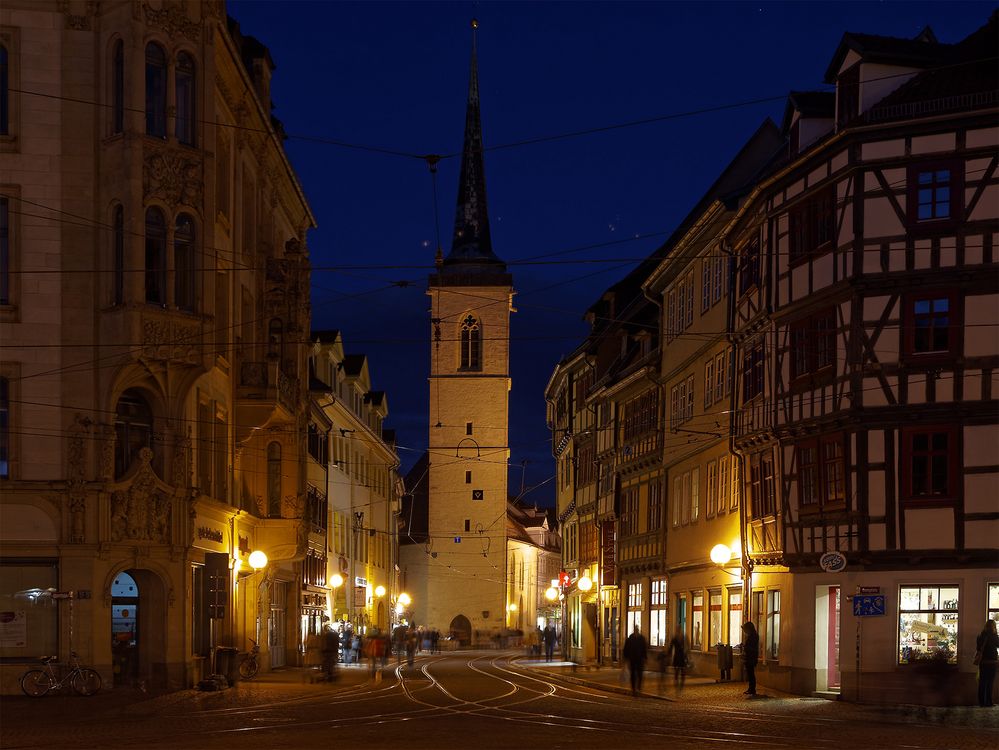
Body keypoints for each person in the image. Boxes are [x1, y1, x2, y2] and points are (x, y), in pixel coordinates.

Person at [976, 619, 998, 707]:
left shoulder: (980, 636)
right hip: (992, 662)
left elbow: (978, 649)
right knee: (990, 682)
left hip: (983, 662)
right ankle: (989, 702)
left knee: (982, 682)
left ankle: (981, 702)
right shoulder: (994, 636)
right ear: (994, 627)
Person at [622, 624, 648, 695]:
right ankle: (634, 688)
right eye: (636, 629)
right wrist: (625, 658)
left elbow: (644, 649)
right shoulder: (630, 638)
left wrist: (645, 658)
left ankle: (638, 687)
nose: (636, 630)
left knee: (640, 674)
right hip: (632, 659)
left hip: (639, 659)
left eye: (637, 629)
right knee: (633, 674)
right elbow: (626, 649)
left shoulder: (641, 638)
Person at [741, 622, 760, 696]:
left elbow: (752, 648)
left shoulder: (753, 636)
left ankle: (752, 689)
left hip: (751, 658)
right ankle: (751, 688)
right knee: (750, 674)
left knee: (751, 674)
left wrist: (745, 647)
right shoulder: (752, 636)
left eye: (745, 630)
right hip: (750, 657)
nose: (745, 632)